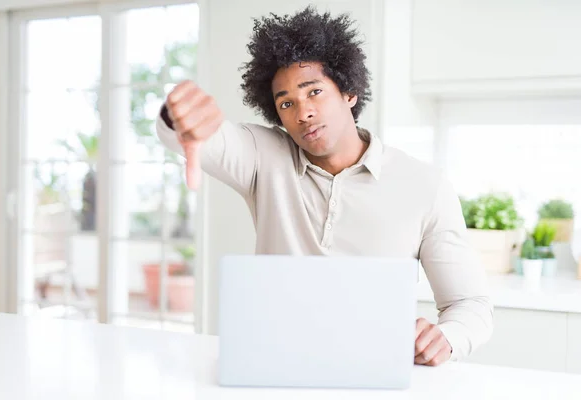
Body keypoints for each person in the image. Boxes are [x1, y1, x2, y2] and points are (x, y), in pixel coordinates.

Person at [156, 6, 493, 366]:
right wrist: (179, 115)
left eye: (314, 91)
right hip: (273, 365)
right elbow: (202, 136)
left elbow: (469, 305)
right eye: (286, 103)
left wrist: (447, 338)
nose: (303, 113)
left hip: (375, 370)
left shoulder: (424, 185)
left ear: (348, 92)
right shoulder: (262, 156)